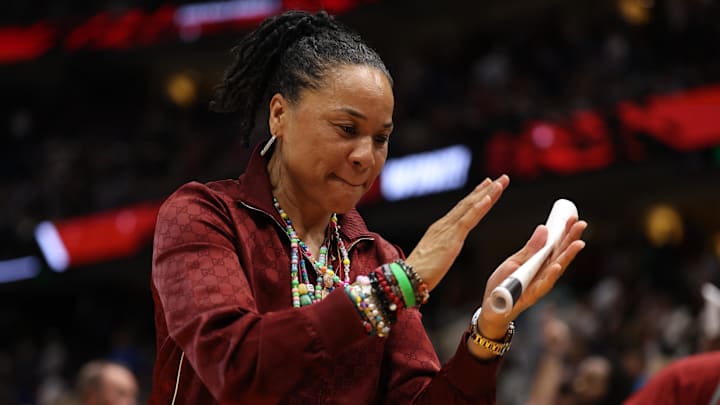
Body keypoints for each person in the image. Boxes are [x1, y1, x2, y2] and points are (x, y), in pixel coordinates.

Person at [149, 10, 587, 404]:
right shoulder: (204, 216)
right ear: (279, 115)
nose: (366, 155)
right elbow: (237, 366)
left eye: (380, 138)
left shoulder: (375, 257)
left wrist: (487, 330)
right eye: (346, 128)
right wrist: (396, 286)